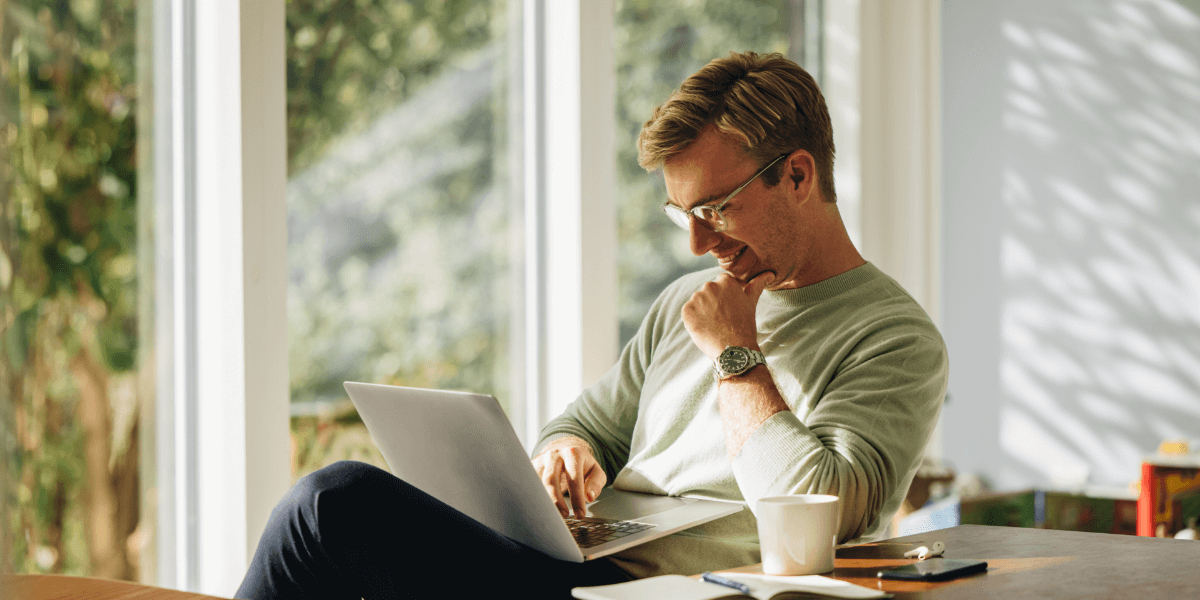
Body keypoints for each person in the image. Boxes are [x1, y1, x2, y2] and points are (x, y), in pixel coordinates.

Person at [235, 51, 947, 600]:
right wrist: (564, 453)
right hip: (573, 567)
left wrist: (735, 354)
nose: (697, 245)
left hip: (670, 594)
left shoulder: (895, 340)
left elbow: (820, 509)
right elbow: (585, 426)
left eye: (716, 209)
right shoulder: (683, 305)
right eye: (682, 215)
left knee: (331, 507)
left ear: (797, 176)